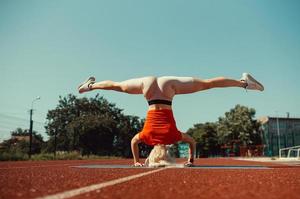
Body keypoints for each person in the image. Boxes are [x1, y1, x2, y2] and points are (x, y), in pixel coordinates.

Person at [78, 73, 264, 167]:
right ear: (151, 153)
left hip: (167, 91)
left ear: (166, 151)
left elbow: (192, 141)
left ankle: (244, 83)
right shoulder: (147, 137)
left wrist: (191, 160)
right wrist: (136, 160)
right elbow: (133, 142)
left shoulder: (173, 137)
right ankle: (90, 86)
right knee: (117, 86)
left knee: (208, 85)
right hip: (149, 90)